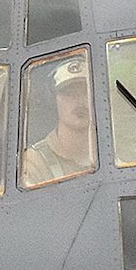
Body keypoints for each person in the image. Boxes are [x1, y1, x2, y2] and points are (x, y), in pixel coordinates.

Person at [22, 56, 96, 186]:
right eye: (69, 93)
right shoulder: (33, 163)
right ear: (53, 100)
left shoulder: (119, 153)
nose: (79, 101)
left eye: (86, 91)